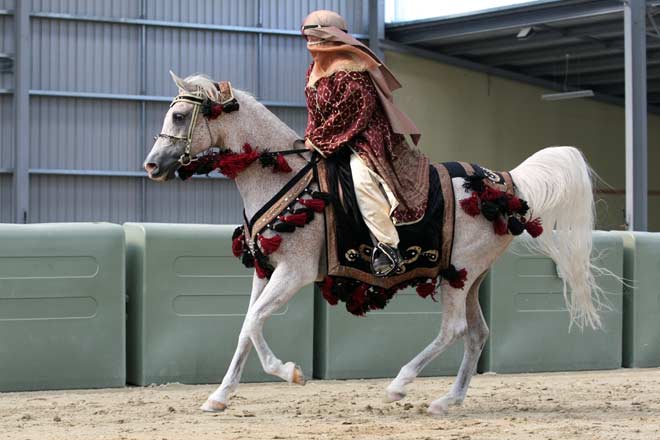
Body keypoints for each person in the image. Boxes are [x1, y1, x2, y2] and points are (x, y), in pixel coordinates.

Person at [302, 10, 429, 277]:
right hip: (328, 138)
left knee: (362, 180)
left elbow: (354, 112)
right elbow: (314, 112)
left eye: (313, 37)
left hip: (364, 138)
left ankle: (388, 246)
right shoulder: (313, 71)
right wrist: (309, 138)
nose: (308, 43)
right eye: (306, 37)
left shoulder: (353, 68)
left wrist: (319, 140)